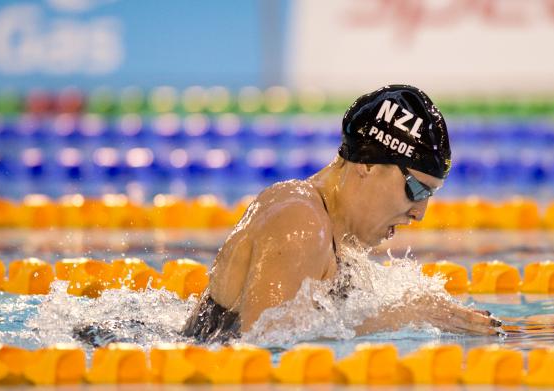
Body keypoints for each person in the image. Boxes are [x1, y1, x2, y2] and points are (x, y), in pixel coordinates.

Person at [182, 85, 502, 342]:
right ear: (368, 163)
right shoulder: (299, 217)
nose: (420, 212)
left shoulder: (336, 239)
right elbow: (265, 339)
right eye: (416, 189)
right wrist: (407, 314)